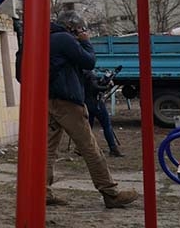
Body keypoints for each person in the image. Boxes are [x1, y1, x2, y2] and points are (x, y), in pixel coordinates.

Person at [46, 11, 138, 208]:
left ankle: (42, 191)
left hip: (49, 100)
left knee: (48, 149)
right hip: (68, 102)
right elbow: (88, 61)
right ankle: (110, 193)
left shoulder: (47, 39)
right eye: (80, 29)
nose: (82, 32)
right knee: (90, 147)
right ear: (73, 27)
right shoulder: (63, 38)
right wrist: (86, 42)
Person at [83, 70, 124, 157]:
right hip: (96, 103)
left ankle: (83, 148)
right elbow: (95, 87)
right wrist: (108, 86)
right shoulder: (89, 74)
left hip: (86, 102)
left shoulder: (80, 72)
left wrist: (103, 82)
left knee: (88, 127)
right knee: (106, 125)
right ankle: (113, 148)